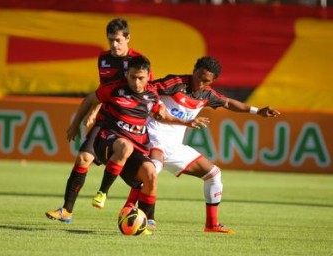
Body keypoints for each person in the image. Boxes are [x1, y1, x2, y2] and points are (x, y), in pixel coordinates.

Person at [96, 56, 281, 233]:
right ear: (194, 71)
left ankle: (212, 224)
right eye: (199, 76)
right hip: (153, 137)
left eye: (206, 80)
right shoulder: (176, 83)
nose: (200, 82)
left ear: (211, 81)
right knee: (152, 171)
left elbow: (228, 103)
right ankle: (137, 212)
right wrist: (157, 105)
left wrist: (258, 111)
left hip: (175, 147)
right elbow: (148, 88)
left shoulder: (207, 94)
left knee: (214, 174)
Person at [45, 18, 152, 223]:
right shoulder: (103, 59)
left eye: (118, 40)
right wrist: (88, 115)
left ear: (128, 38)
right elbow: (101, 91)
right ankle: (66, 211)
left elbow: (148, 93)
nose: (114, 45)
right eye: (110, 40)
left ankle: (143, 212)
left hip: (129, 125)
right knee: (83, 158)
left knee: (139, 174)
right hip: (106, 120)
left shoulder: (139, 62)